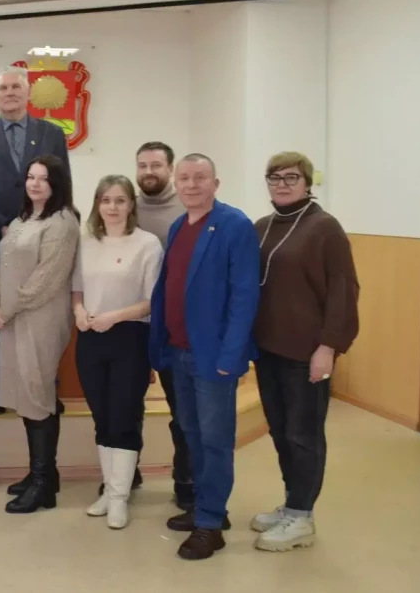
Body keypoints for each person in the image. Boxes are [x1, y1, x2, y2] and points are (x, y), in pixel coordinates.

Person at [149, 153, 260, 560]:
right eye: (184, 178)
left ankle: (210, 525)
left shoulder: (234, 225)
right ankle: (206, 507)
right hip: (178, 351)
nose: (191, 185)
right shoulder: (179, 225)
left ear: (216, 183)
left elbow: (245, 295)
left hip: (213, 357)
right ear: (176, 183)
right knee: (192, 435)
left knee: (215, 441)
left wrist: (231, 355)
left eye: (200, 177)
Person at [250, 152, 359, 552]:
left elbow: (344, 290)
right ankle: (292, 503)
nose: (281, 184)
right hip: (268, 349)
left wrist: (328, 347)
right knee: (281, 431)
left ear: (307, 182)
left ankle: (302, 517)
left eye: (291, 177)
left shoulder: (325, 228)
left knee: (304, 434)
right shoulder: (262, 226)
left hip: (307, 351)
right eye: (274, 177)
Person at [0, 65, 70, 416]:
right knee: (0, 312)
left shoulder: (51, 133)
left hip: (45, 234)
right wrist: (0, 226)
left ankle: (45, 389)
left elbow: (63, 183)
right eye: (3, 88)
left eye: (15, 87)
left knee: (41, 313)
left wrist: (52, 221)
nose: (9, 93)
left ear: (27, 93)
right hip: (0, 240)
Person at [0, 155, 79, 514]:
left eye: (43, 178)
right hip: (12, 318)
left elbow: (45, 281)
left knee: (37, 394)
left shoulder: (62, 222)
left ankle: (43, 485)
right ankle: (42, 474)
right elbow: (1, 264)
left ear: (57, 184)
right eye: (31, 177)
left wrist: (6, 310)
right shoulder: (22, 219)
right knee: (27, 396)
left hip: (41, 320)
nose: (35, 184)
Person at [72, 175, 163, 529]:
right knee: (103, 416)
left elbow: (152, 301)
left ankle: (120, 497)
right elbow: (76, 290)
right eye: (106, 200)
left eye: (120, 200)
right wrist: (79, 312)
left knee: (124, 416)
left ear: (131, 205)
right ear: (97, 204)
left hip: (130, 336)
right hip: (91, 337)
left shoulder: (147, 244)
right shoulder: (86, 242)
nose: (112, 207)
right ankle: (109, 490)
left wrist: (114, 316)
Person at [134, 141, 190, 509]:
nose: (149, 172)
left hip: (174, 329)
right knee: (127, 407)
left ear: (170, 169)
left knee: (182, 412)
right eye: (142, 165)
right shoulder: (127, 208)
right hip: (134, 325)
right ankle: (126, 474)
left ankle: (185, 483)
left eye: (156, 165)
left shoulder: (188, 209)